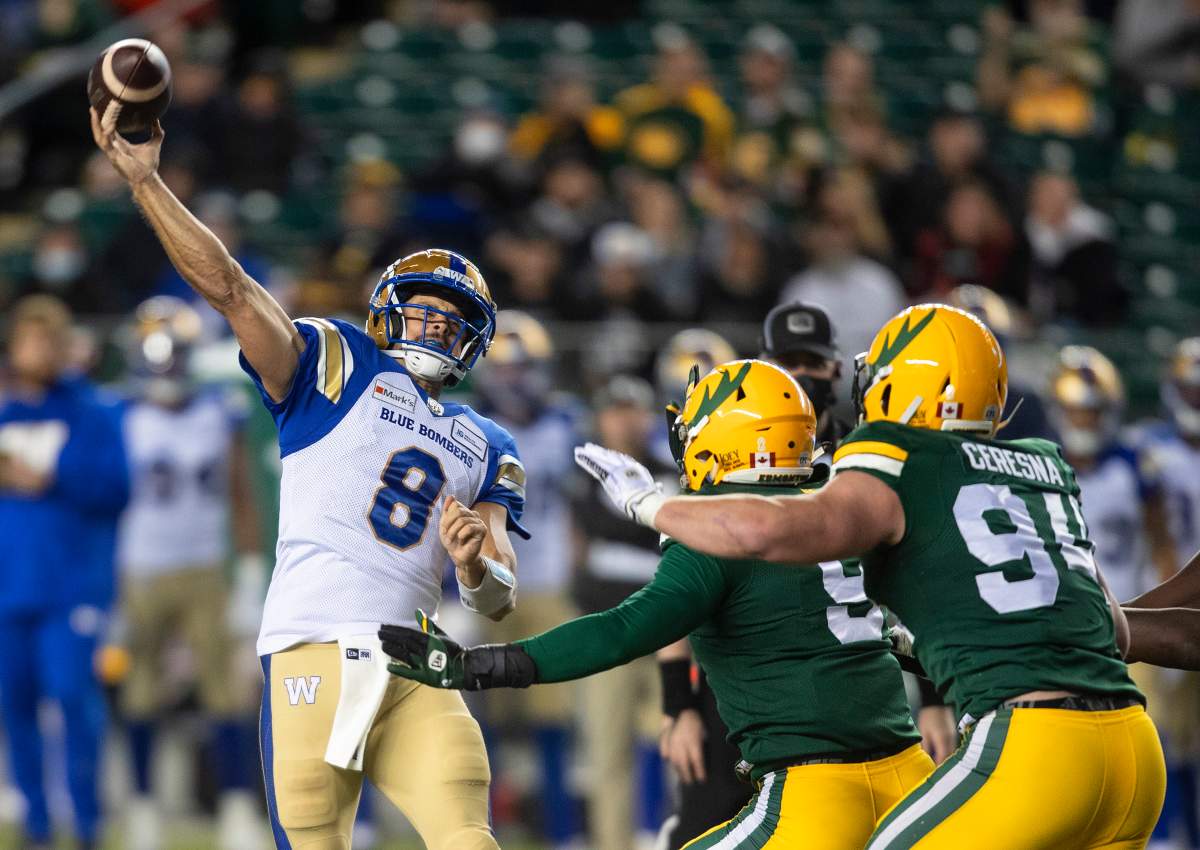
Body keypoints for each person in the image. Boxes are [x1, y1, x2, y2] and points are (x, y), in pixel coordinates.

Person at [92, 107, 527, 850]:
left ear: (475, 340)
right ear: (388, 314)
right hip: (310, 648)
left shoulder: (486, 441)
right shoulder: (339, 363)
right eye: (421, 313)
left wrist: (475, 564)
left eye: (451, 321)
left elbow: (498, 594)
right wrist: (147, 183)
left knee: (469, 839)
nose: (433, 329)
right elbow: (230, 288)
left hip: (416, 662)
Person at [575, 304, 1166, 849]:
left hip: (1027, 744)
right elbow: (1111, 629)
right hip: (1134, 745)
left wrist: (650, 506)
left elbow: (768, 531)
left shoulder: (890, 451)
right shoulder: (1041, 462)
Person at [381, 359, 935, 849]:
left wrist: (479, 665)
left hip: (819, 790)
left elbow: (624, 630)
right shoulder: (839, 506)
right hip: (911, 773)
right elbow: (901, 630)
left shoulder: (716, 534)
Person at [113, 296, 267, 850]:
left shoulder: (220, 411)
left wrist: (249, 569)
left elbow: (241, 494)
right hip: (141, 569)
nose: (164, 367)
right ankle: (143, 809)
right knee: (140, 692)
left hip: (205, 566)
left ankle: (235, 809)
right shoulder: (121, 413)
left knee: (224, 693)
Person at [0, 294, 130, 850]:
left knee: (74, 703)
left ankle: (86, 823)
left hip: (71, 587)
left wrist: (47, 478)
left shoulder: (93, 411)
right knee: (15, 708)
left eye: (49, 340)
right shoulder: (5, 414)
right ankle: (35, 823)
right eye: (30, 340)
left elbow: (117, 489)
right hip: (10, 589)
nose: (39, 351)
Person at [471, 310, 584, 847]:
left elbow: (585, 508)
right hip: (489, 585)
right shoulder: (470, 426)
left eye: (523, 368)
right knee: (482, 717)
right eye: (505, 369)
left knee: (553, 719)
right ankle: (484, 825)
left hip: (548, 583)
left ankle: (560, 831)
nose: (514, 380)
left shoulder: (566, 421)